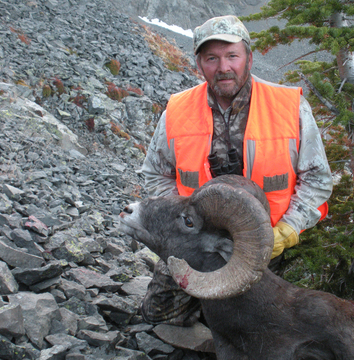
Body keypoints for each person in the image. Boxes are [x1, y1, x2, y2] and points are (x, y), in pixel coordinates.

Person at [140, 15, 333, 326]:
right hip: (194, 241)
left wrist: (287, 230)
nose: (223, 67)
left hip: (266, 245)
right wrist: (181, 218)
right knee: (158, 314)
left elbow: (317, 180)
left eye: (232, 55)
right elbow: (154, 173)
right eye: (212, 58)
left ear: (249, 58)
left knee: (266, 327)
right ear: (199, 64)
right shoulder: (177, 110)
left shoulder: (290, 108)